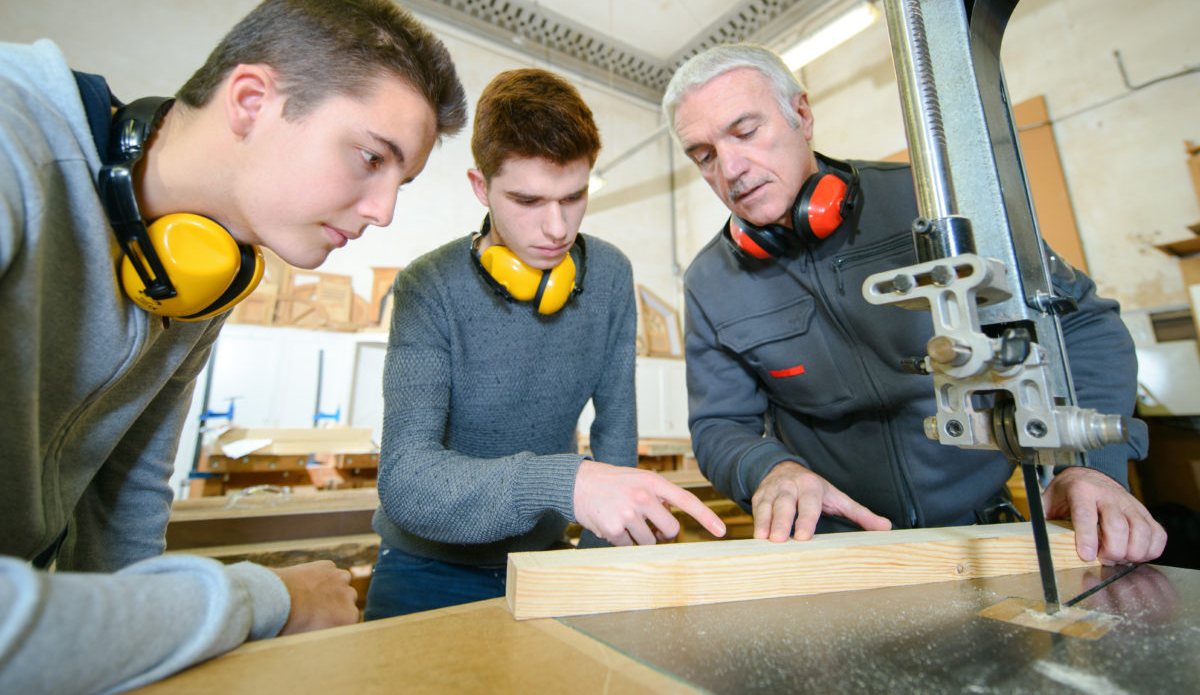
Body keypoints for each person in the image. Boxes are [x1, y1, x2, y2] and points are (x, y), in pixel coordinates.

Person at [0, 0, 467, 694]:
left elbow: (124, 511)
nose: (382, 212)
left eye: (401, 181)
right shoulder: (10, 147)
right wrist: (263, 599)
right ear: (252, 101)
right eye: (372, 157)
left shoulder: (201, 278)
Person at [661, 43, 1167, 565]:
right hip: (836, 547)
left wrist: (1091, 466)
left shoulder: (933, 205)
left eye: (745, 133)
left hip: (982, 536)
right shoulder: (711, 280)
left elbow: (1082, 325)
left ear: (802, 115)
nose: (731, 168)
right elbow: (720, 424)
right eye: (704, 155)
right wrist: (769, 469)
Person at [365, 68, 726, 619]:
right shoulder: (427, 286)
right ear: (481, 188)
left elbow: (616, 438)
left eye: (574, 196)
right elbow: (408, 483)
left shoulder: (607, 276)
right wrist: (566, 481)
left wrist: (602, 563)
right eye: (528, 200)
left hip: (547, 562)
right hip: (423, 570)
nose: (557, 228)